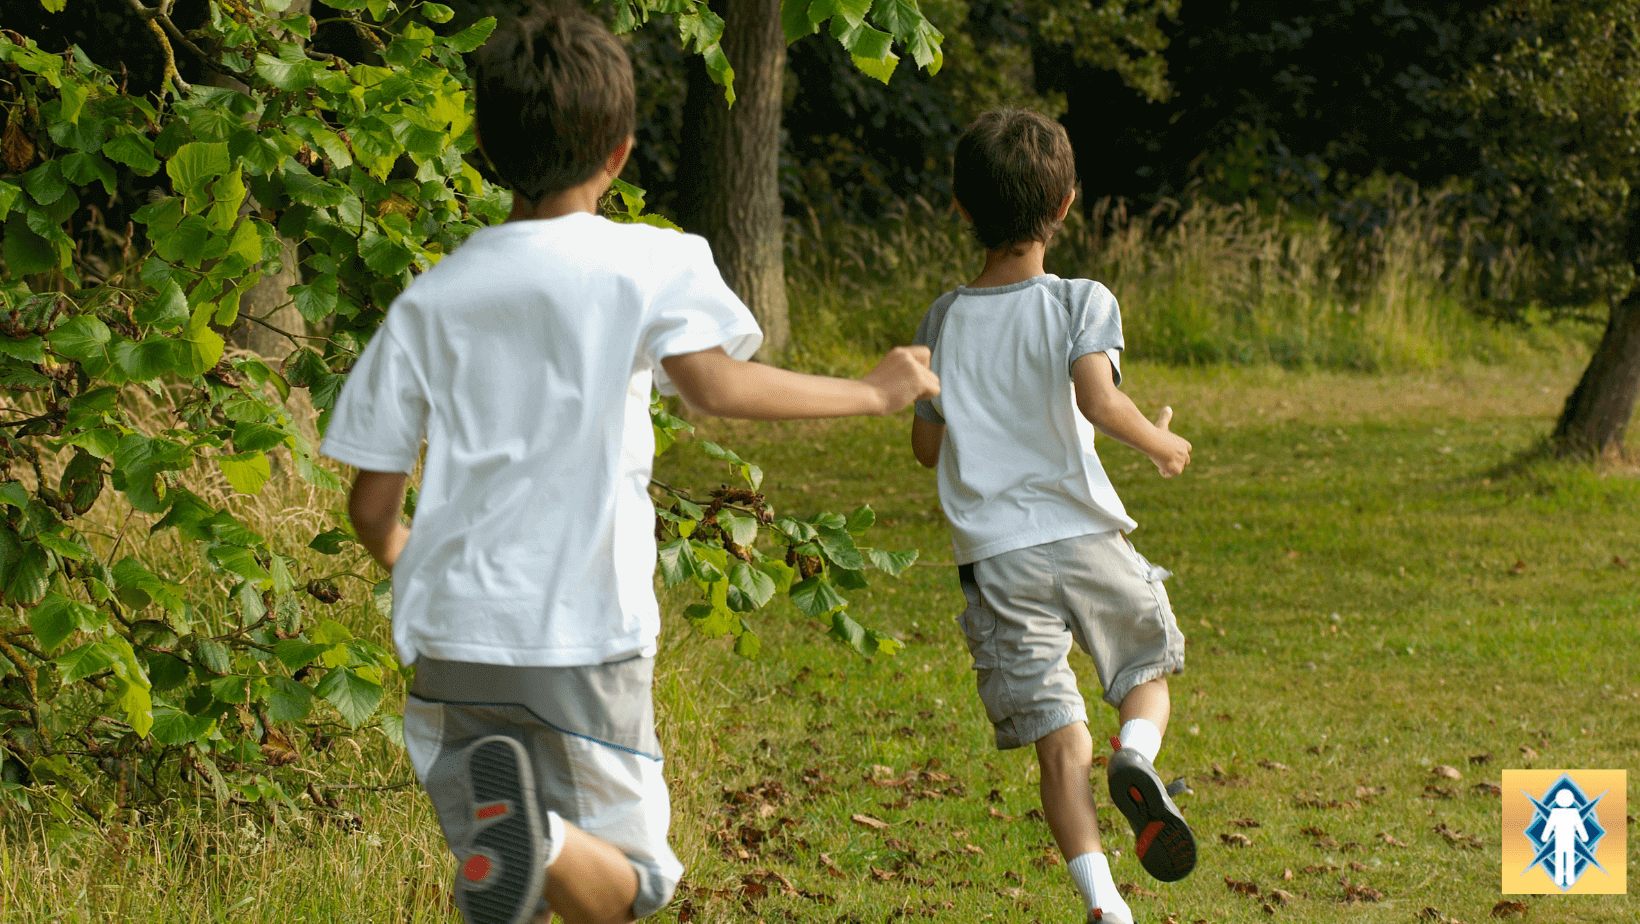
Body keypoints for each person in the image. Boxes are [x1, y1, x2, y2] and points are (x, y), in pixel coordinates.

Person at [320, 5, 939, 923]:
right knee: (627, 886)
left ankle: (534, 841)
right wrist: (874, 392)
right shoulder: (648, 263)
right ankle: (548, 837)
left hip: (455, 639)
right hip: (582, 632)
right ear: (620, 151)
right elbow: (713, 389)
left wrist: (427, 571)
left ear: (488, 148)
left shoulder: (430, 300)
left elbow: (371, 510)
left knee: (517, 893)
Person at [909, 108, 1196, 924]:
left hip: (996, 557)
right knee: (1145, 672)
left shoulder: (942, 319)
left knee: (1057, 736)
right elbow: (1098, 399)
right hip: (1083, 534)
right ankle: (1136, 757)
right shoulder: (1081, 300)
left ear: (961, 208)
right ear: (1066, 204)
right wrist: (1160, 446)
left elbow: (926, 453)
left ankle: (1106, 905)